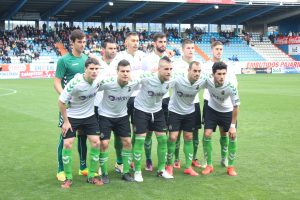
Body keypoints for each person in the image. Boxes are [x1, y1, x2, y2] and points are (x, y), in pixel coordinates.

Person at [58, 57, 104, 189]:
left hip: (89, 116)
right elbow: (61, 102)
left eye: (96, 69)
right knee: (67, 144)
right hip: (72, 116)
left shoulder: (98, 81)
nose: (94, 71)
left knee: (96, 142)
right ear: (85, 69)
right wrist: (66, 122)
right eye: (91, 69)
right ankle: (68, 178)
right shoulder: (76, 82)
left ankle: (92, 176)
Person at [54, 29, 89, 181]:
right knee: (65, 136)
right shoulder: (64, 60)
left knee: (83, 135)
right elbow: (56, 81)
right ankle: (61, 169)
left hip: (83, 106)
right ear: (72, 43)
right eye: (79, 42)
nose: (82, 44)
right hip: (68, 106)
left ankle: (83, 167)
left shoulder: (87, 59)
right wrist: (64, 96)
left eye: (84, 42)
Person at [133, 56, 174, 182]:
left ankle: (161, 170)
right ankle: (137, 171)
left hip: (157, 111)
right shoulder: (148, 77)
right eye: (166, 69)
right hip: (141, 110)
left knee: (163, 139)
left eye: (170, 69)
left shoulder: (171, 80)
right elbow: (132, 81)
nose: (169, 72)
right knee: (140, 141)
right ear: (159, 69)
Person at [97, 60, 139, 183]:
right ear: (117, 72)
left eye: (127, 71)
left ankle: (125, 172)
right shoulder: (108, 83)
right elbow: (92, 87)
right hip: (105, 116)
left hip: (122, 116)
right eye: (122, 71)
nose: (125, 74)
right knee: (104, 143)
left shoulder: (133, 83)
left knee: (127, 142)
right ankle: (103, 173)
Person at [166, 61, 206, 177]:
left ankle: (188, 167)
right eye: (194, 71)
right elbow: (165, 84)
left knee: (189, 137)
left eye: (199, 71)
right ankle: (169, 166)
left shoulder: (202, 81)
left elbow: (214, 84)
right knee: (173, 137)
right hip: (175, 112)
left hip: (189, 112)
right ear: (188, 70)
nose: (197, 73)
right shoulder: (178, 79)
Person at [202, 41, 238, 168]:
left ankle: (224, 159)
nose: (219, 51)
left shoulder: (228, 66)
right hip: (209, 102)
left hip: (225, 104)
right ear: (212, 49)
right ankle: (206, 160)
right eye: (217, 49)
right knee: (207, 132)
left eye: (221, 49)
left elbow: (234, 84)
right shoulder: (206, 65)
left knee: (224, 132)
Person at [114, 32, 146, 173]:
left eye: (137, 40)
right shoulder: (119, 56)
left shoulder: (143, 56)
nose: (135, 43)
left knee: (136, 131)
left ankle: (130, 159)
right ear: (126, 42)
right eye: (132, 40)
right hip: (124, 97)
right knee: (119, 132)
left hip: (139, 98)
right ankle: (119, 161)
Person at [140, 32, 171, 171]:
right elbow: (144, 79)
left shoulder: (169, 58)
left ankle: (163, 164)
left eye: (164, 42)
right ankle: (148, 160)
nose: (163, 44)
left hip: (165, 99)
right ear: (154, 43)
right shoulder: (147, 59)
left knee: (163, 133)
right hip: (149, 100)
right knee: (147, 133)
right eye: (160, 42)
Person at [172, 39, 203, 169]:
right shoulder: (176, 64)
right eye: (188, 48)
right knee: (176, 133)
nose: (191, 50)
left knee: (194, 132)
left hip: (194, 103)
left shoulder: (199, 63)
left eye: (192, 48)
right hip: (178, 104)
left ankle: (193, 158)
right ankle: (176, 159)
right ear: (183, 49)